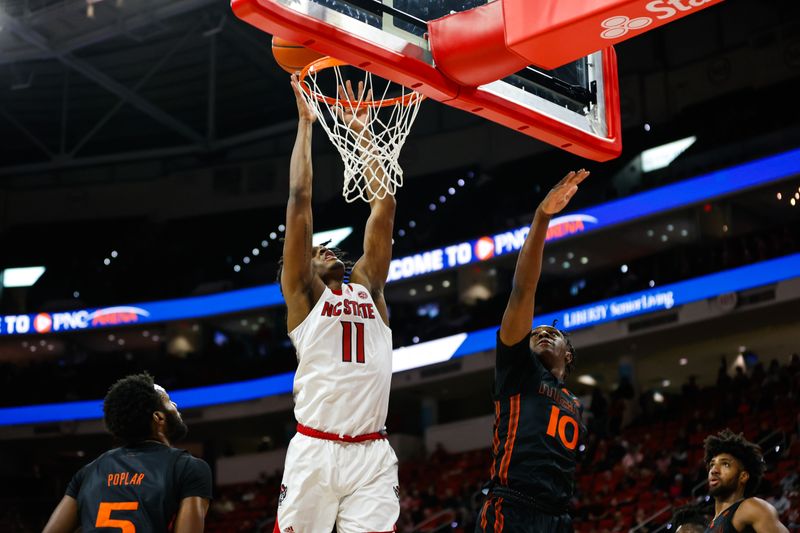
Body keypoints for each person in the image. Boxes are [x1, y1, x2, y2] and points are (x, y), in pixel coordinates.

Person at [273, 73, 399, 532]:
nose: (325, 249)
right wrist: (306, 123)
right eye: (315, 249)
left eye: (329, 248)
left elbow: (382, 208)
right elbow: (299, 199)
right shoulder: (303, 299)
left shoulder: (368, 287)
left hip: (371, 451)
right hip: (316, 449)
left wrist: (363, 132)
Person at [475, 170, 590, 533]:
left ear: (568, 354)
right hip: (512, 507)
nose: (539, 334)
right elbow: (524, 290)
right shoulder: (518, 370)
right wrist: (542, 218)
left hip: (557, 516)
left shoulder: (573, 401)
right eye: (534, 332)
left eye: (550, 333)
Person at [42, 373, 212, 533]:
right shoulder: (189, 467)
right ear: (158, 418)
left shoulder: (88, 472)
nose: (175, 405)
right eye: (168, 401)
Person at [704, 428, 789, 532]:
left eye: (725, 464)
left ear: (743, 476)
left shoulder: (750, 508)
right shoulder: (710, 525)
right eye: (712, 464)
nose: (714, 470)